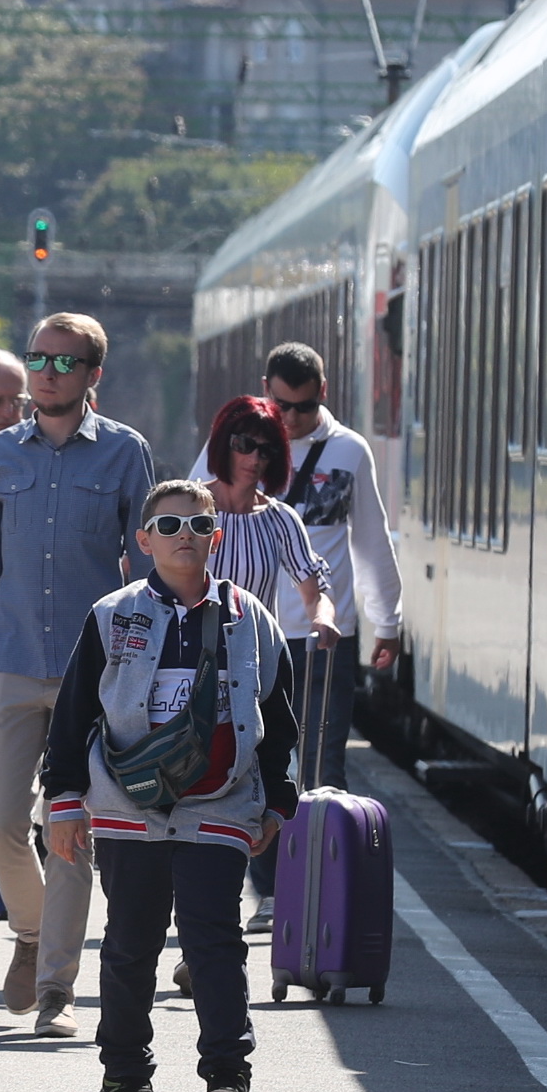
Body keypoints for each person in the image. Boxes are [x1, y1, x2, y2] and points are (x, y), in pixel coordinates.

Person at [44, 478, 297, 1092]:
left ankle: (227, 1076)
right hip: (128, 802)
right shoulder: (111, 615)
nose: (187, 537)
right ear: (145, 539)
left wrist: (278, 803)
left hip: (222, 800)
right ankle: (126, 1073)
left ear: (218, 536)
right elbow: (72, 718)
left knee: (215, 940)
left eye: (201, 526)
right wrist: (65, 801)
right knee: (131, 941)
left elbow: (280, 719)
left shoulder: (252, 619)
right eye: (172, 526)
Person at [0, 312, 156, 1034]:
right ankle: (34, 934)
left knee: (70, 828)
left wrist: (148, 672)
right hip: (6, 660)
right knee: (1, 821)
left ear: (93, 375)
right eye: (39, 358)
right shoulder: (1, 454)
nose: (46, 372)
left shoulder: (127, 454)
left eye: (65, 363)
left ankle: (58, 989)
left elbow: (151, 574)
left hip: (93, 673)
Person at [184, 340, 402, 792]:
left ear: (323, 391)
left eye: (306, 406)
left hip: (315, 642)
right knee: (239, 768)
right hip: (231, 644)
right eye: (283, 404)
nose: (293, 417)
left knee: (322, 772)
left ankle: (309, 860)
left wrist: (387, 620)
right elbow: (184, 536)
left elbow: (371, 540)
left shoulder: (349, 452)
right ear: (266, 390)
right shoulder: (231, 446)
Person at [196, 395, 335, 935]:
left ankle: (269, 893)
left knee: (257, 781)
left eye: (265, 448)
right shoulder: (192, 509)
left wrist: (322, 619)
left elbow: (311, 587)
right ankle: (204, 908)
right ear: (223, 444)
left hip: (257, 668)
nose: (253, 458)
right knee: (198, 781)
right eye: (243, 445)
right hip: (190, 669)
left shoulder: (279, 519)